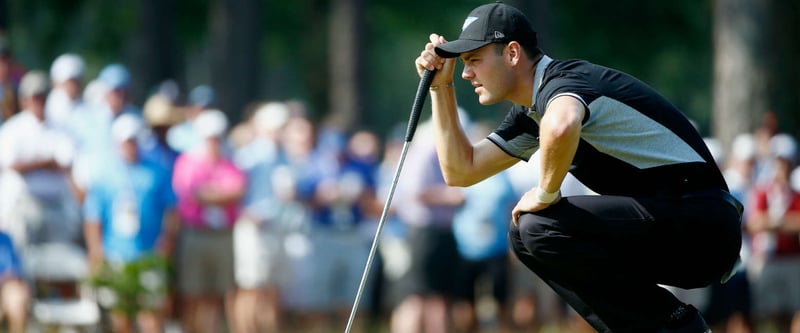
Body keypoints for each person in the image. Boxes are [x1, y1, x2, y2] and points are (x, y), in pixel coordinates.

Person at [414, 2, 743, 332]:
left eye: (474, 61)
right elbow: (461, 171)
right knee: (525, 234)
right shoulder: (532, 111)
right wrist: (441, 88)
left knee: (536, 226)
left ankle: (679, 327)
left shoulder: (564, 82)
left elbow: (562, 125)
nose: (467, 72)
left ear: (512, 53)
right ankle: (664, 326)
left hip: (704, 226)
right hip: (680, 226)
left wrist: (545, 192)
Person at [83, 114, 178, 333]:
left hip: (149, 255)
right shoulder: (104, 175)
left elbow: (171, 212)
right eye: (126, 141)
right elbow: (93, 218)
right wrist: (96, 253)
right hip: (116, 255)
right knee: (120, 315)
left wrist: (166, 244)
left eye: (133, 140)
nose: (130, 146)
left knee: (151, 315)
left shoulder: (157, 172)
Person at [744, 133, 800, 333]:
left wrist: (773, 221)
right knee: (765, 315)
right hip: (766, 259)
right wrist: (782, 222)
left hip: (790, 259)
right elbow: (754, 223)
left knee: (789, 314)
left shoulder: (795, 194)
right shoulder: (762, 191)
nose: (781, 168)